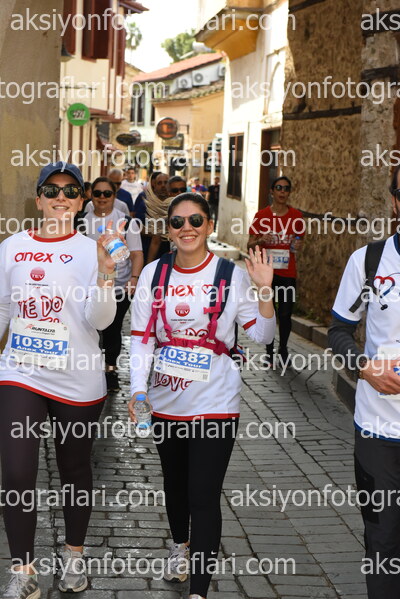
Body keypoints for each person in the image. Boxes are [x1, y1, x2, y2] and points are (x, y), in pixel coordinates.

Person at [129, 192, 275, 599]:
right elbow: (141, 339)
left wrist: (265, 292)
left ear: (209, 225)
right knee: (175, 485)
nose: (187, 228)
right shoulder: (154, 274)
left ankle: (199, 591)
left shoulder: (231, 276)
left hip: (216, 404)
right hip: (166, 402)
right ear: (168, 229)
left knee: (204, 495)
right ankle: (180, 546)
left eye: (196, 220)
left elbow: (262, 336)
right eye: (177, 222)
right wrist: (138, 390)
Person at [0, 162, 120, 599]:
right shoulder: (12, 247)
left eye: (71, 191)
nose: (61, 197)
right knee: (16, 471)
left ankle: (73, 558)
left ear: (81, 200)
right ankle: (23, 571)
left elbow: (101, 321)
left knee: (74, 469)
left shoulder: (93, 250)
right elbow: (3, 308)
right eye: (51, 190)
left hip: (78, 376)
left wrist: (106, 274)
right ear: (38, 199)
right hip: (21, 371)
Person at [328, 165, 400, 599]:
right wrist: (363, 367)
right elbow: (339, 330)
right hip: (378, 430)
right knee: (383, 541)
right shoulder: (369, 261)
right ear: (395, 201)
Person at [83, 177, 143, 392]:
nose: (102, 197)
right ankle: (88, 370)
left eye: (107, 193)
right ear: (91, 195)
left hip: (118, 287)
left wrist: (134, 279)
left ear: (114, 196)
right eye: (97, 193)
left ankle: (110, 371)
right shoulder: (80, 220)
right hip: (86, 286)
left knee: (112, 328)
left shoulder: (126, 221)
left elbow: (136, 254)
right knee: (88, 328)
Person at [248, 176, 304, 366]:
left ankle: (283, 349)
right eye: (278, 188)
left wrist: (297, 245)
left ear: (289, 192)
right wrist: (260, 240)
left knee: (285, 314)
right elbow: (249, 244)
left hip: (288, 272)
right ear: (272, 191)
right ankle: (269, 352)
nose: (282, 191)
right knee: (269, 313)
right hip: (267, 275)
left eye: (286, 188)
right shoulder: (262, 215)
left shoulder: (296, 216)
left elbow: (298, 242)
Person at [141, 172, 171, 264]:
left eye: (166, 182)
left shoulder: (176, 204)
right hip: (148, 252)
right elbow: (138, 227)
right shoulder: (145, 204)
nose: (163, 186)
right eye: (159, 183)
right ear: (154, 185)